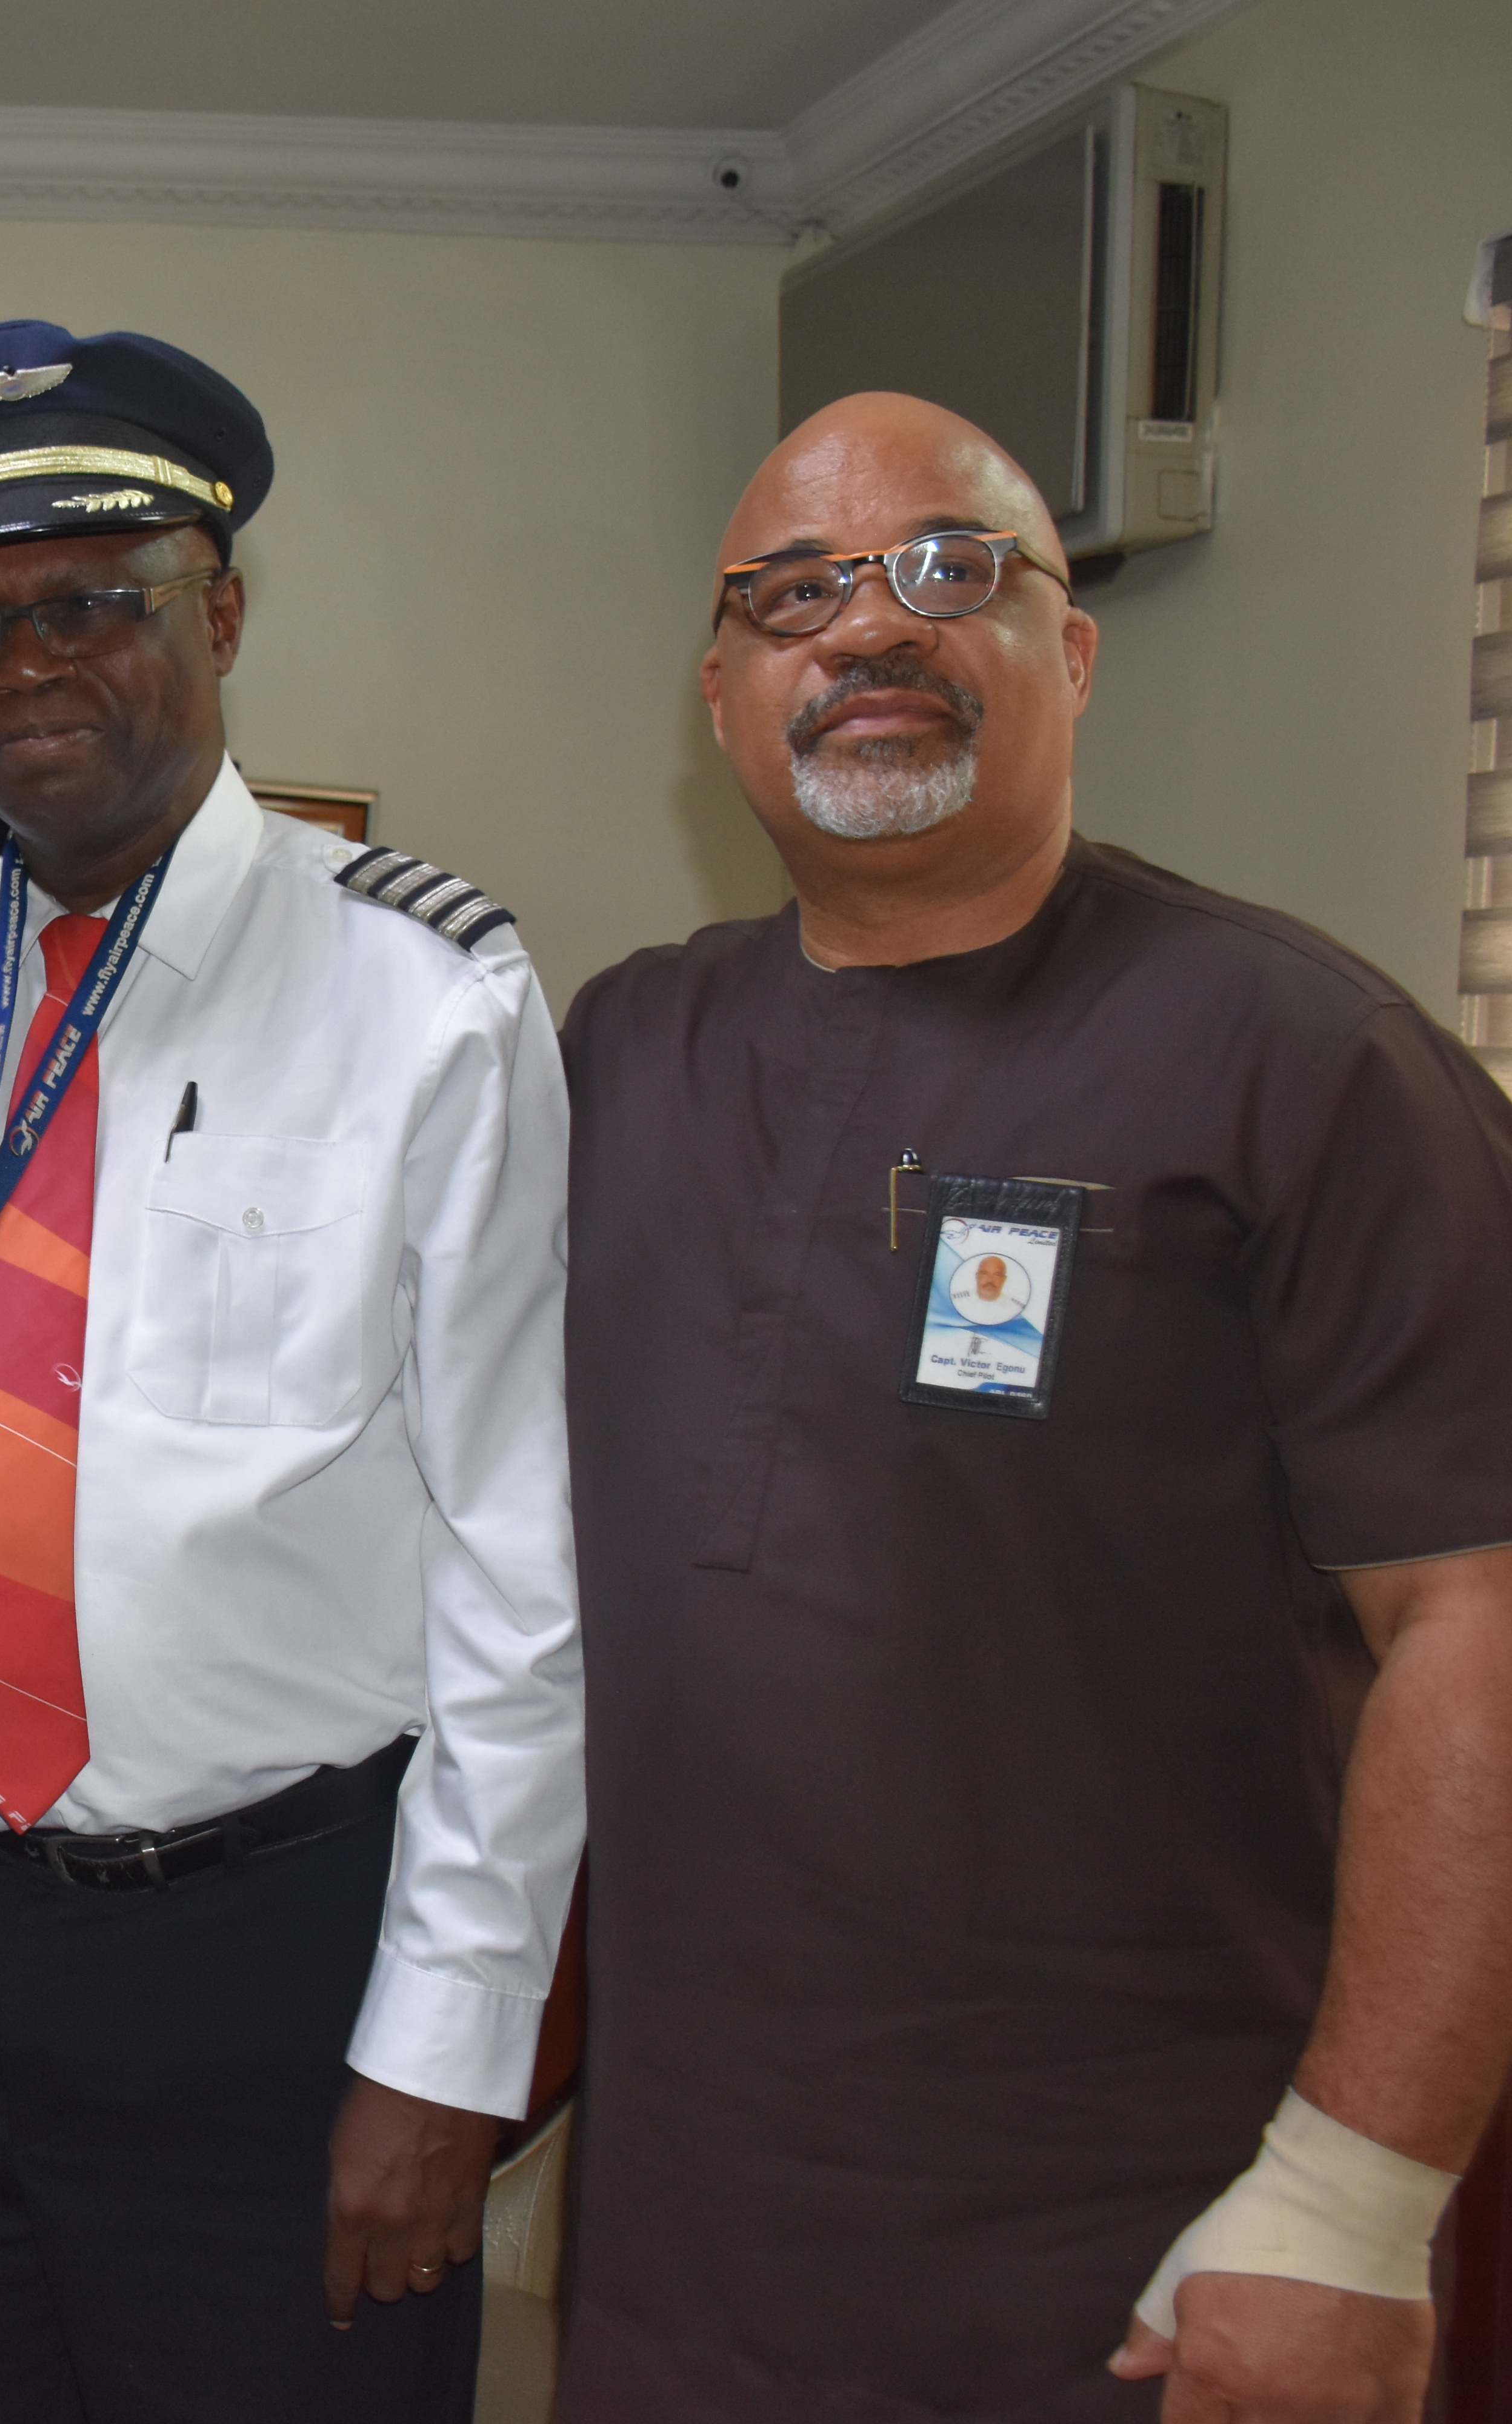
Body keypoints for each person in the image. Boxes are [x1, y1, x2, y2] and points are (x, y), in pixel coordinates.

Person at [558, 390, 1512, 2424]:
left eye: (950, 570)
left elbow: (1478, 1630)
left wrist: (1348, 2200)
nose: (869, 629)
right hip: (684, 2233)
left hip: (1140, 2242)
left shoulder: (1310, 1064)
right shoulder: (625, 1052)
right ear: (721, 699)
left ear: (1068, 653)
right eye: (793, 593)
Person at [0, 320, 581, 2421]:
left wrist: (445, 2049)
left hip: (264, 1964)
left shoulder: (429, 1008)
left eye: (100, 604)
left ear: (227, 616)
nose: (34, 664)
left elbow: (519, 1568)